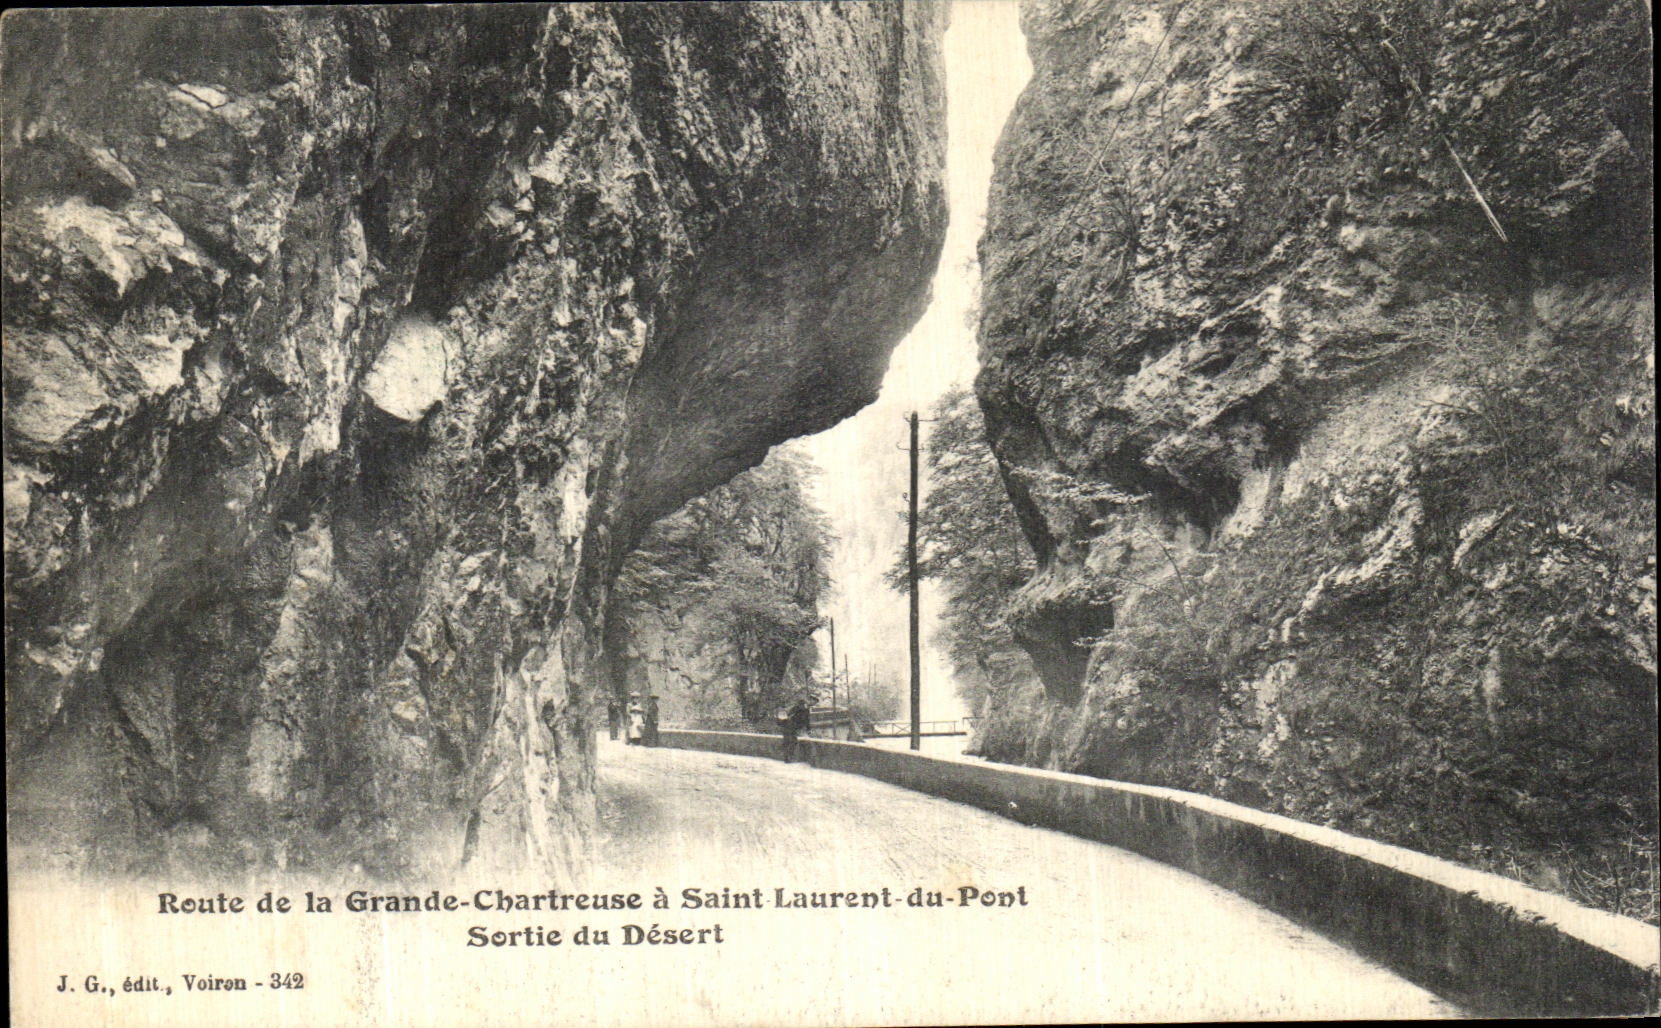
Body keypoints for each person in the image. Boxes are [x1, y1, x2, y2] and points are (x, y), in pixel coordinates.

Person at [781, 696, 812, 762]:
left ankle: (789, 757)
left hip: (794, 728)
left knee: (791, 742)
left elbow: (807, 721)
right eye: (801, 704)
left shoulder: (803, 710)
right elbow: (806, 721)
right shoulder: (796, 710)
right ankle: (788, 757)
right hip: (791, 728)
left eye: (803, 704)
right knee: (791, 742)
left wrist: (808, 729)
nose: (802, 706)